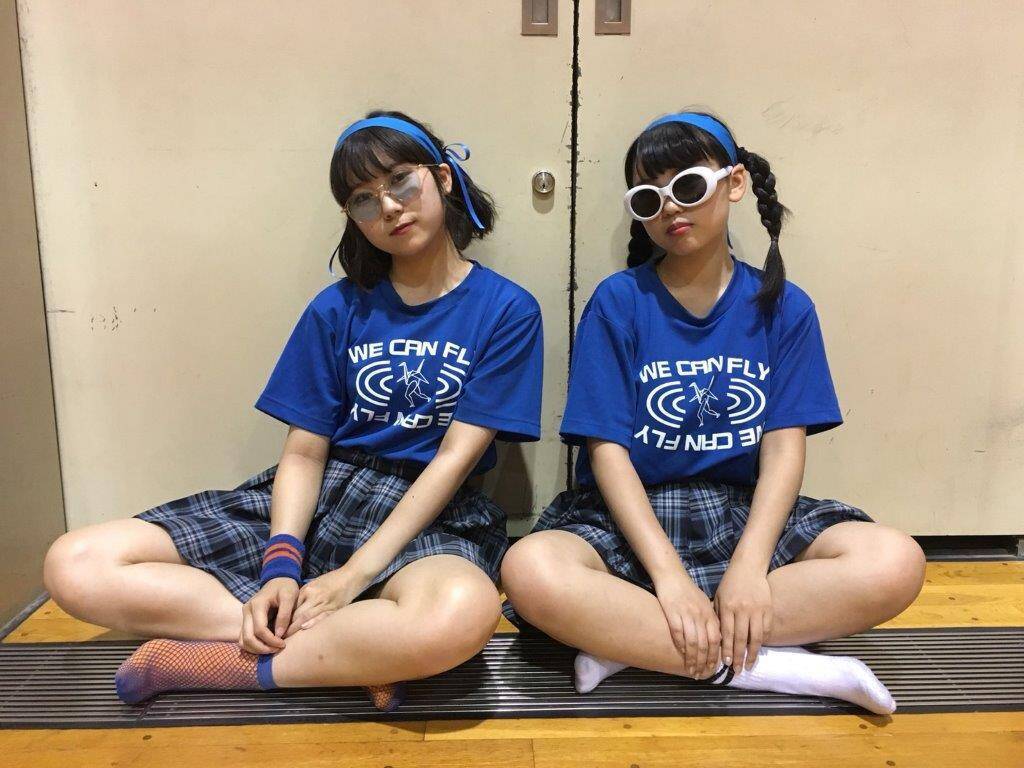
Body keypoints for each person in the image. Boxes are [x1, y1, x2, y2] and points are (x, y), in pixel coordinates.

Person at [43, 110, 544, 713]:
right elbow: (304, 455)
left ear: (441, 178)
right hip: (324, 492)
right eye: (363, 200)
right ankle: (353, 651)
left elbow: (453, 461)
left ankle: (219, 662)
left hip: (431, 511)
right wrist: (281, 567)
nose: (388, 207)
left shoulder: (507, 310)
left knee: (462, 612)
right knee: (74, 564)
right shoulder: (336, 309)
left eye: (401, 182)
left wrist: (353, 577)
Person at [499, 110, 925, 715]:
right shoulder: (618, 301)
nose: (671, 208)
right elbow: (607, 453)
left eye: (690, 186)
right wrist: (669, 580)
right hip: (632, 518)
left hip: (741, 512)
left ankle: (634, 644)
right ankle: (783, 670)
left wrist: (750, 568)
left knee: (895, 562)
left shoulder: (784, 306)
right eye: (649, 198)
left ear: (735, 183)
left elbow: (784, 448)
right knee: (530, 568)